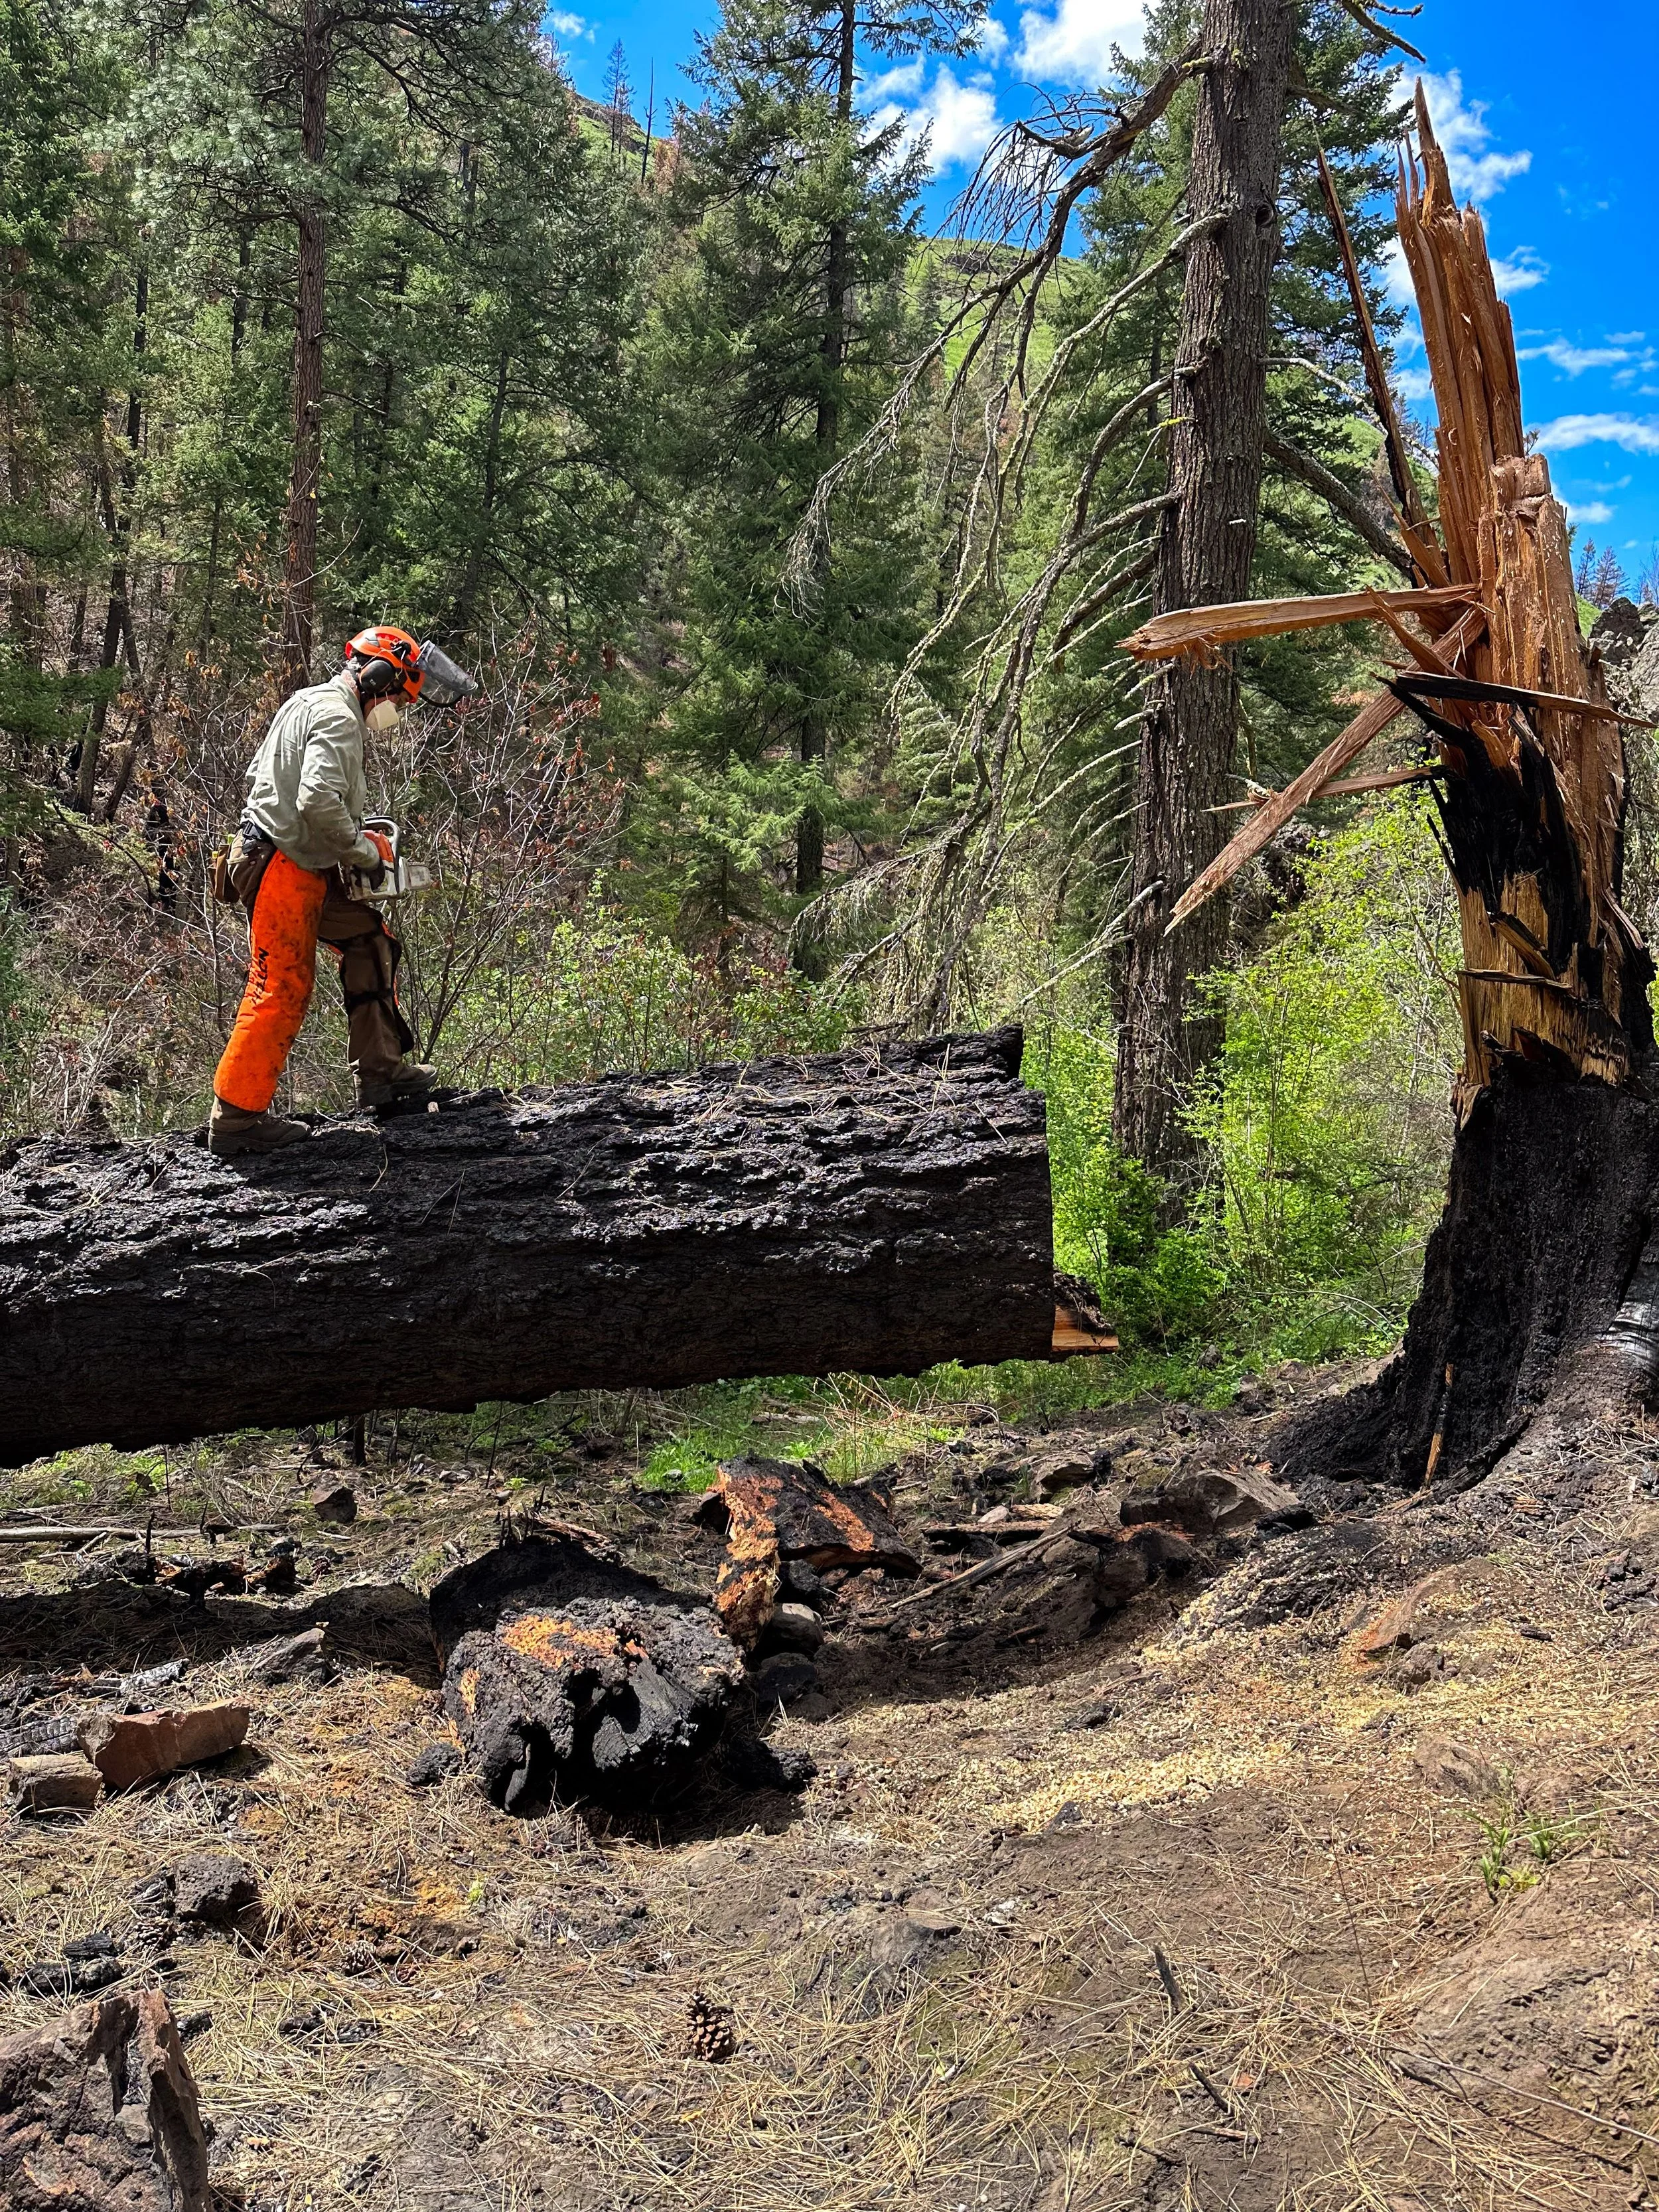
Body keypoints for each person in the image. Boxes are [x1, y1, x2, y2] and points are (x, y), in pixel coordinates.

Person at [208, 625, 475, 1158]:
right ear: (378, 677)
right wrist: (364, 853)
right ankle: (236, 1118)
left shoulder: (307, 702)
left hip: (294, 859)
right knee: (281, 985)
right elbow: (317, 803)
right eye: (399, 694)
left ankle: (382, 1073)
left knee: (368, 939)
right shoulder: (337, 717)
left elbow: (266, 778)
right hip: (284, 866)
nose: (399, 706)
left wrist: (346, 848)